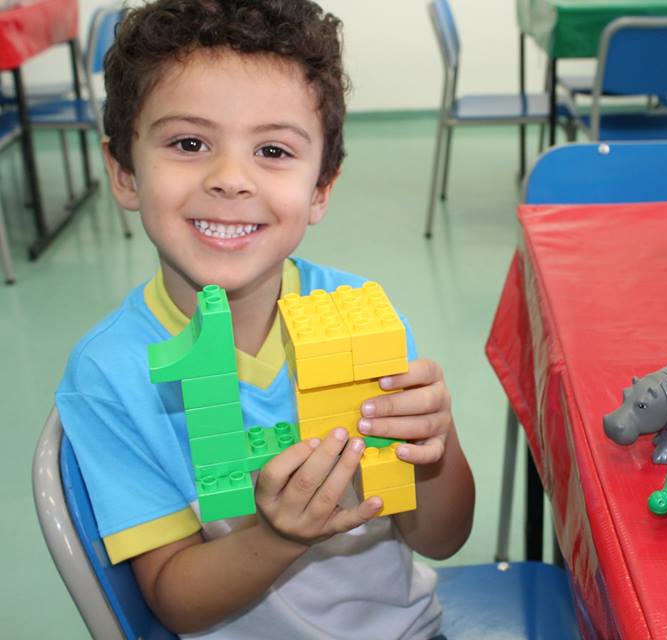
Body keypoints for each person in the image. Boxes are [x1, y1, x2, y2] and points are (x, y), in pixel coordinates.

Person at [54, 1, 475, 637]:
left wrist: (436, 450)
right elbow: (174, 600)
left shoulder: (361, 314)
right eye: (190, 143)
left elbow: (443, 538)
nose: (230, 179)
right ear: (124, 172)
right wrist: (277, 538)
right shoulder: (109, 374)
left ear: (321, 190)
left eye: (273, 149)